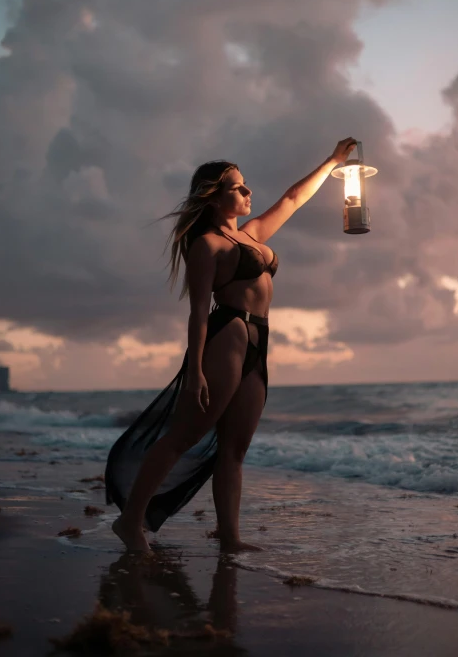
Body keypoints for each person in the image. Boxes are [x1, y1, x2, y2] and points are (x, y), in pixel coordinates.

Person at [106, 137, 357, 554]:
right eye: (238, 188)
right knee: (185, 435)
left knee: (235, 447)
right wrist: (196, 371)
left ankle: (229, 536)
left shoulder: (254, 233)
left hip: (260, 336)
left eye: (245, 185)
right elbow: (199, 311)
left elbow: (293, 199)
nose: (248, 192)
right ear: (214, 197)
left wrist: (332, 162)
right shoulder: (207, 245)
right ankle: (131, 521)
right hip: (229, 334)